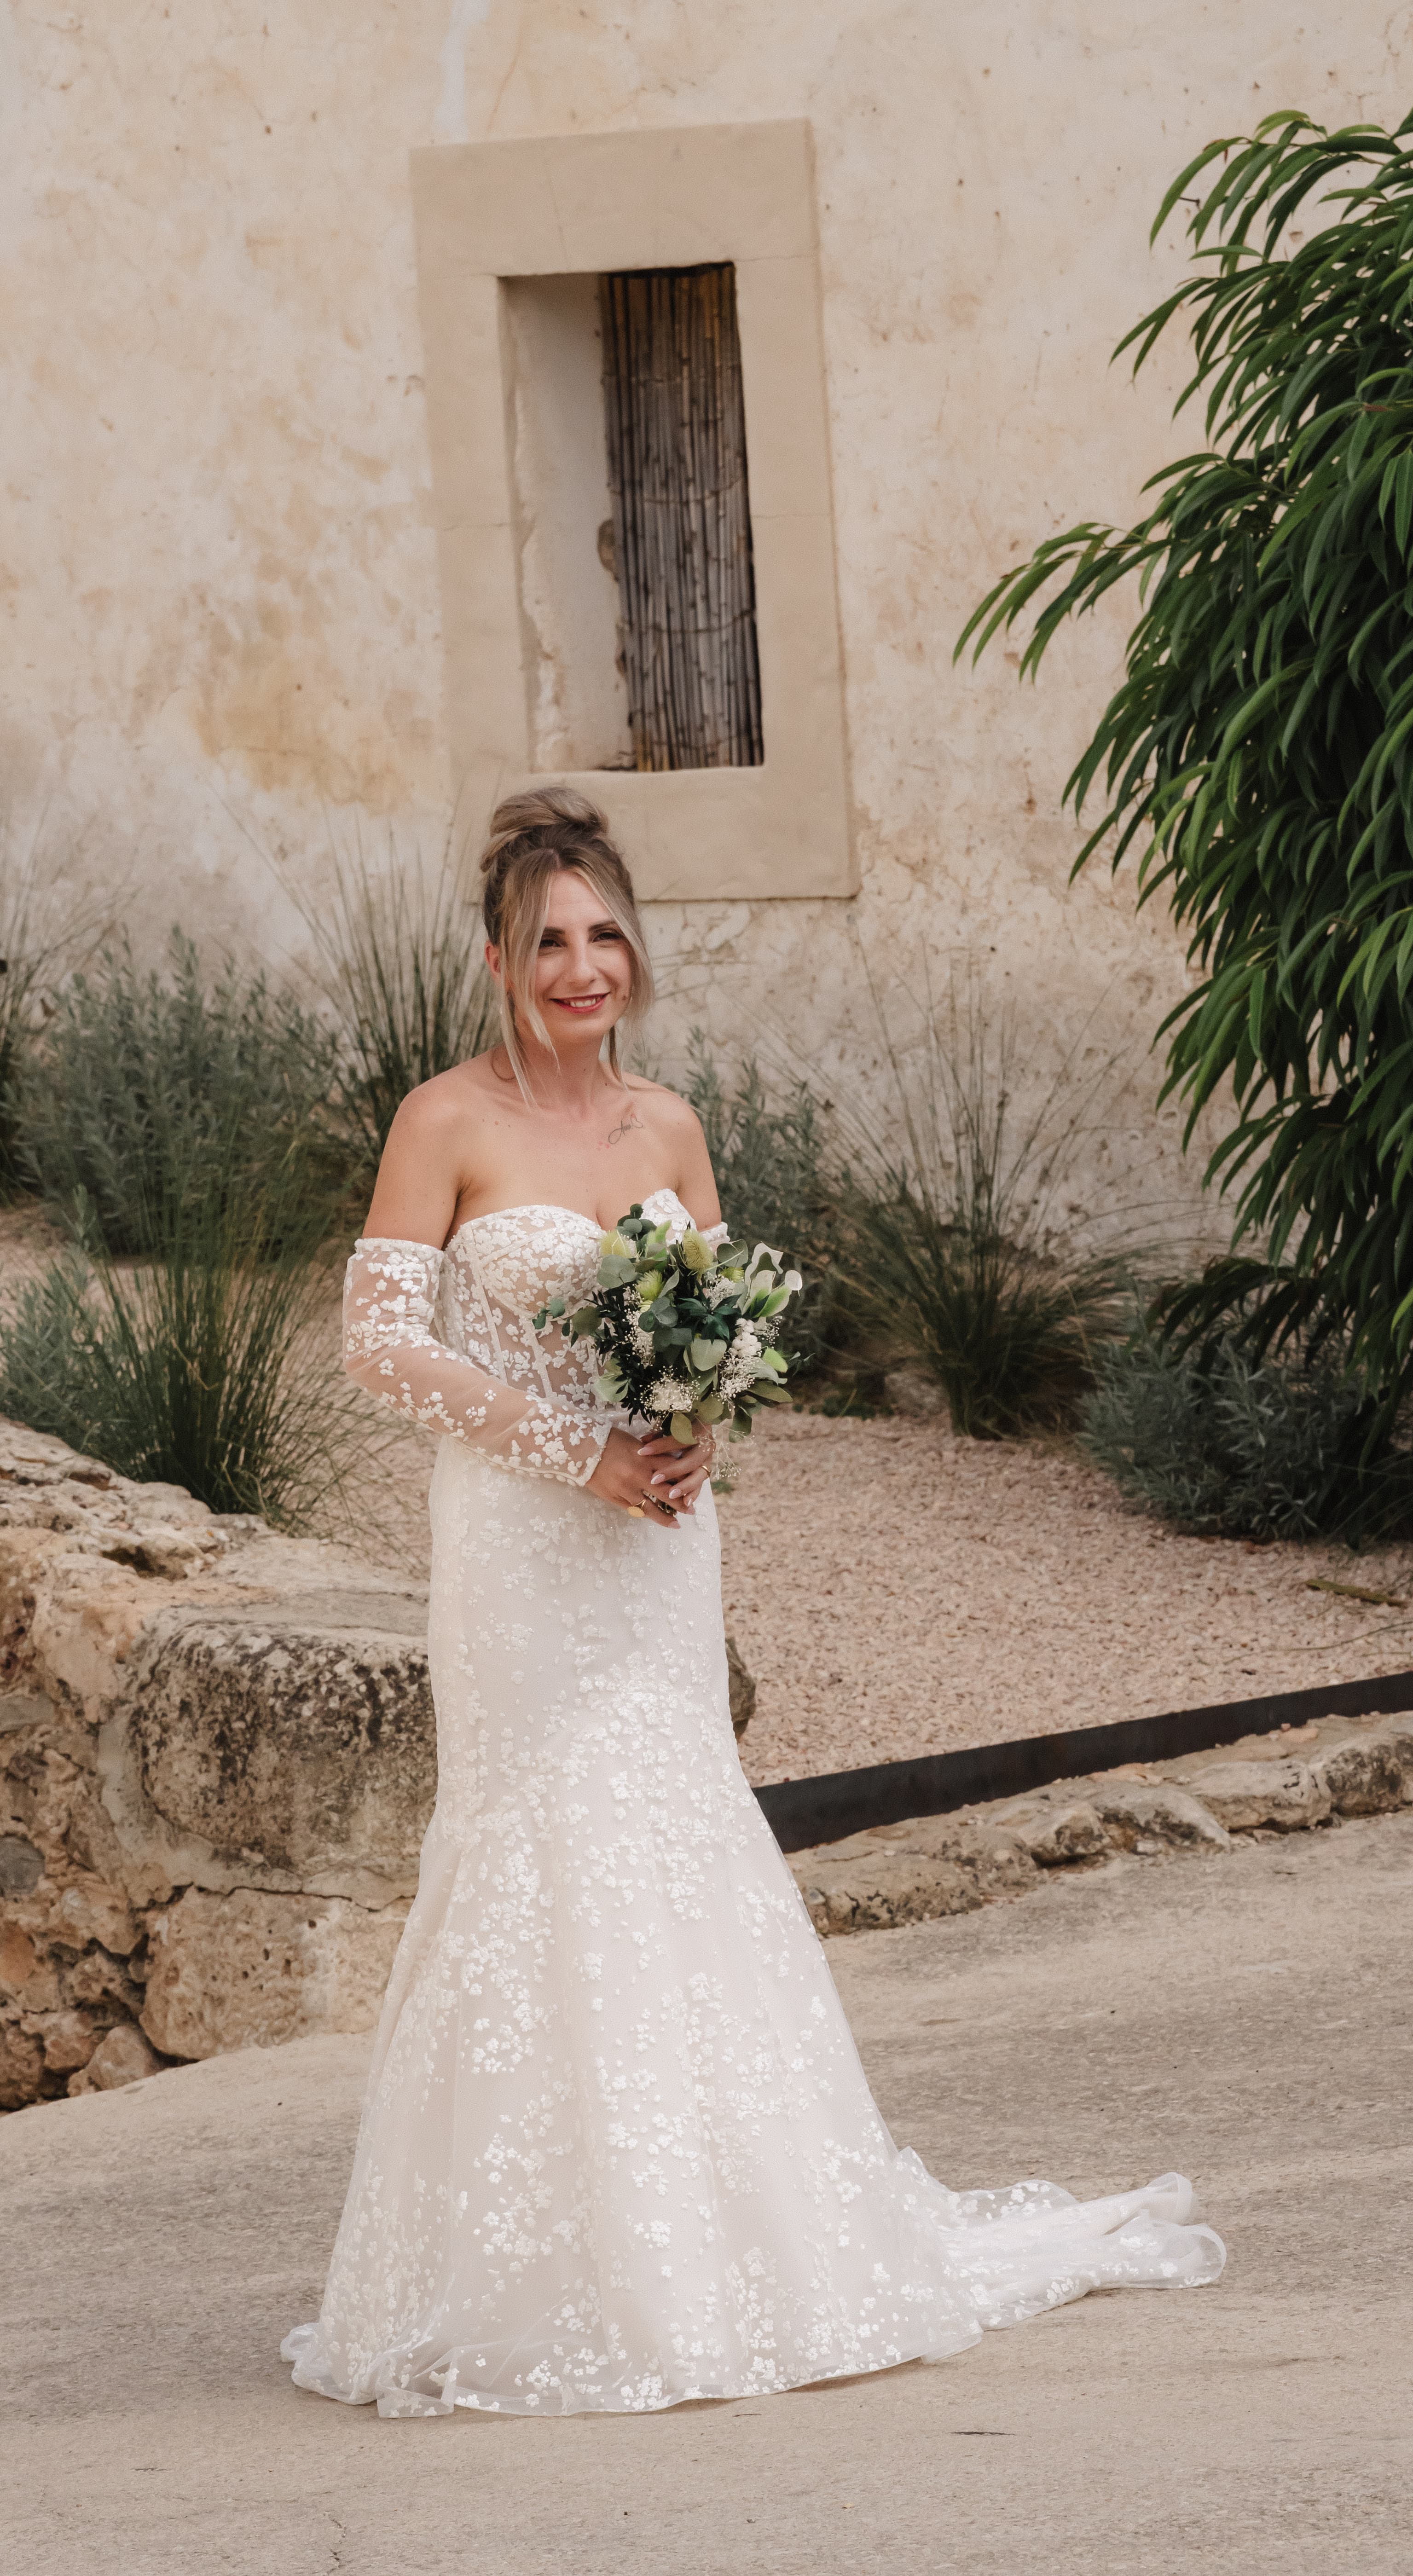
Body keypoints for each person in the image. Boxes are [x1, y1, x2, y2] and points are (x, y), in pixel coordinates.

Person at [283, 785, 1224, 2418]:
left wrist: (698, 1422)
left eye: (604, 936)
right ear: (499, 962)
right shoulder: (445, 1121)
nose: (583, 968)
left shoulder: (668, 1123)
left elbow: (719, 1315)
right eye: (548, 942)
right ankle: (536, 2266)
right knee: (540, 1846)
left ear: (632, 948)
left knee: (676, 1828)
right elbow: (380, 1346)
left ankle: (732, 2241)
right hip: (520, 1545)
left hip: (657, 1542)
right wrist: (577, 1448)